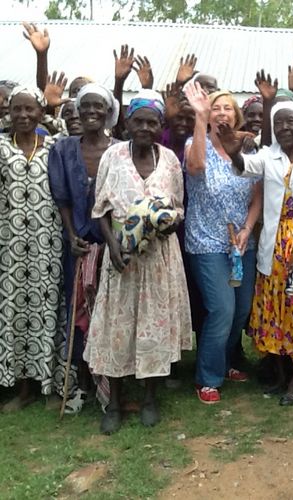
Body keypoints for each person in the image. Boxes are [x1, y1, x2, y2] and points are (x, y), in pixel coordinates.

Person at [83, 90, 192, 434]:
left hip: (159, 258)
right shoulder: (113, 156)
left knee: (154, 328)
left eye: (152, 122)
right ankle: (114, 402)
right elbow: (100, 208)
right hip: (122, 258)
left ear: (161, 126)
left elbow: (178, 208)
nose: (145, 127)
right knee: (118, 326)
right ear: (126, 123)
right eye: (138, 121)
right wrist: (113, 246)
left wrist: (166, 221)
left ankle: (149, 398)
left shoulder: (171, 161)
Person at [218, 98, 293, 406]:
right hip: (273, 247)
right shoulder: (268, 157)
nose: (283, 127)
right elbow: (244, 168)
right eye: (278, 122)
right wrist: (233, 152)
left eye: (289, 122)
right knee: (276, 314)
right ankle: (282, 376)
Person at [183, 81, 262, 404]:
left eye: (227, 107)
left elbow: (258, 193)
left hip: (242, 242)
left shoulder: (249, 151)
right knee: (221, 309)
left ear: (237, 116)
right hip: (207, 242)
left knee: (241, 309)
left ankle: (225, 360)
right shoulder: (194, 142)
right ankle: (208, 377)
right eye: (215, 107)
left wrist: (248, 228)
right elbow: (196, 167)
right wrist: (201, 119)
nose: (221, 112)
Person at [48, 83, 120, 413]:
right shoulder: (62, 149)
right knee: (77, 314)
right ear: (77, 110)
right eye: (85, 106)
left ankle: (110, 384)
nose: (91, 111)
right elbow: (62, 197)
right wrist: (71, 234)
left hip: (112, 247)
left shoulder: (121, 149)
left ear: (109, 113)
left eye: (98, 106)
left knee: (108, 313)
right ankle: (81, 385)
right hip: (76, 246)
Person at [0, 86, 64, 410]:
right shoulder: (0, 148)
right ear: (8, 113)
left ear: (40, 113)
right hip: (9, 247)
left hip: (48, 245)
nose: (24, 116)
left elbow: (69, 130)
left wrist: (53, 110)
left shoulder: (52, 146)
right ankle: (21, 388)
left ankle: (49, 385)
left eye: (30, 110)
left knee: (47, 311)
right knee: (15, 315)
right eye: (17, 110)